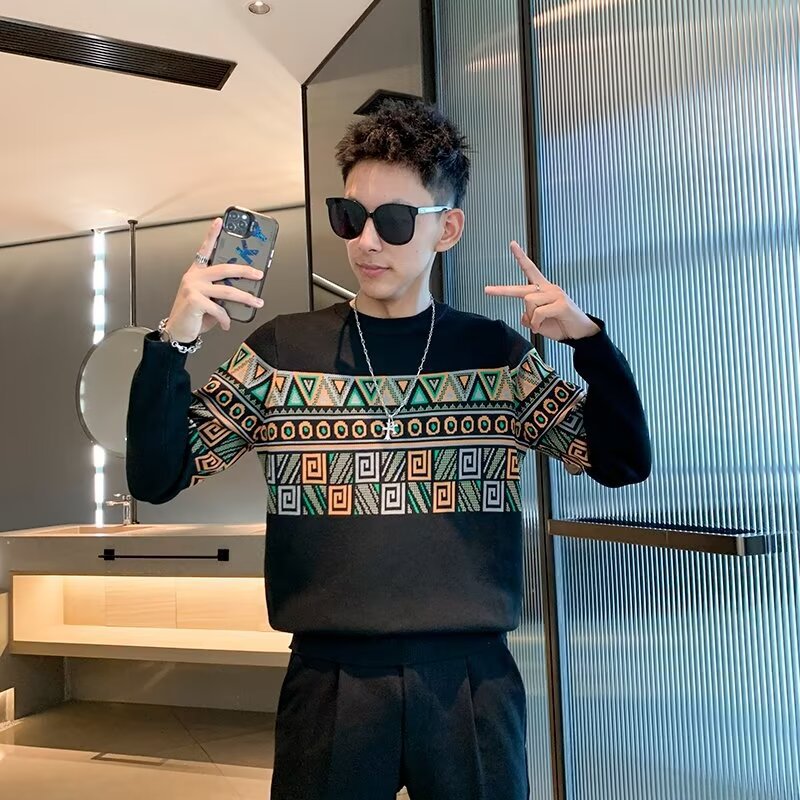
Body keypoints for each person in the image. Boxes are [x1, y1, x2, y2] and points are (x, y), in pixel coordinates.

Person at [127, 100, 651, 800]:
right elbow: (158, 475)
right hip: (329, 682)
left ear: (446, 229)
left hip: (471, 683)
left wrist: (590, 343)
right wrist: (174, 340)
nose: (367, 242)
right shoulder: (283, 352)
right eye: (351, 216)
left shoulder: (493, 356)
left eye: (396, 221)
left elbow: (621, 462)